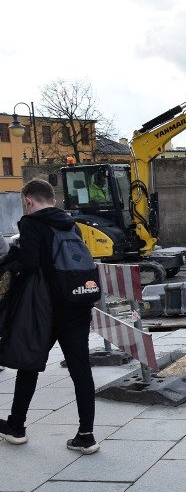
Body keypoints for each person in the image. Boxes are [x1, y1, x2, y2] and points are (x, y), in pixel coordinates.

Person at [0, 179, 100, 454]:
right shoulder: (72, 224)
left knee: (29, 364)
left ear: (28, 201)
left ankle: (17, 427)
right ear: (53, 200)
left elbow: (30, 263)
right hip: (77, 304)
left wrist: (11, 261)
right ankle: (86, 435)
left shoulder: (31, 223)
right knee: (81, 370)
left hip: (45, 309)